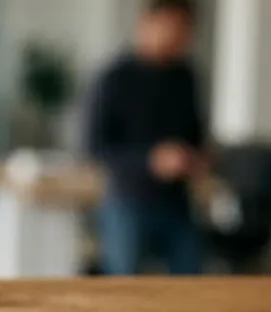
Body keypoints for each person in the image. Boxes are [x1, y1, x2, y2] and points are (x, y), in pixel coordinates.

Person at [86, 0, 207, 276]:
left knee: (193, 284)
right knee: (126, 288)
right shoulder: (114, 78)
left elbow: (194, 133)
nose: (178, 38)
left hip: (177, 202)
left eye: (184, 31)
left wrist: (197, 157)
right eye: (171, 28)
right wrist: (150, 160)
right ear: (147, 25)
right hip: (128, 202)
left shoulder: (185, 77)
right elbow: (94, 147)